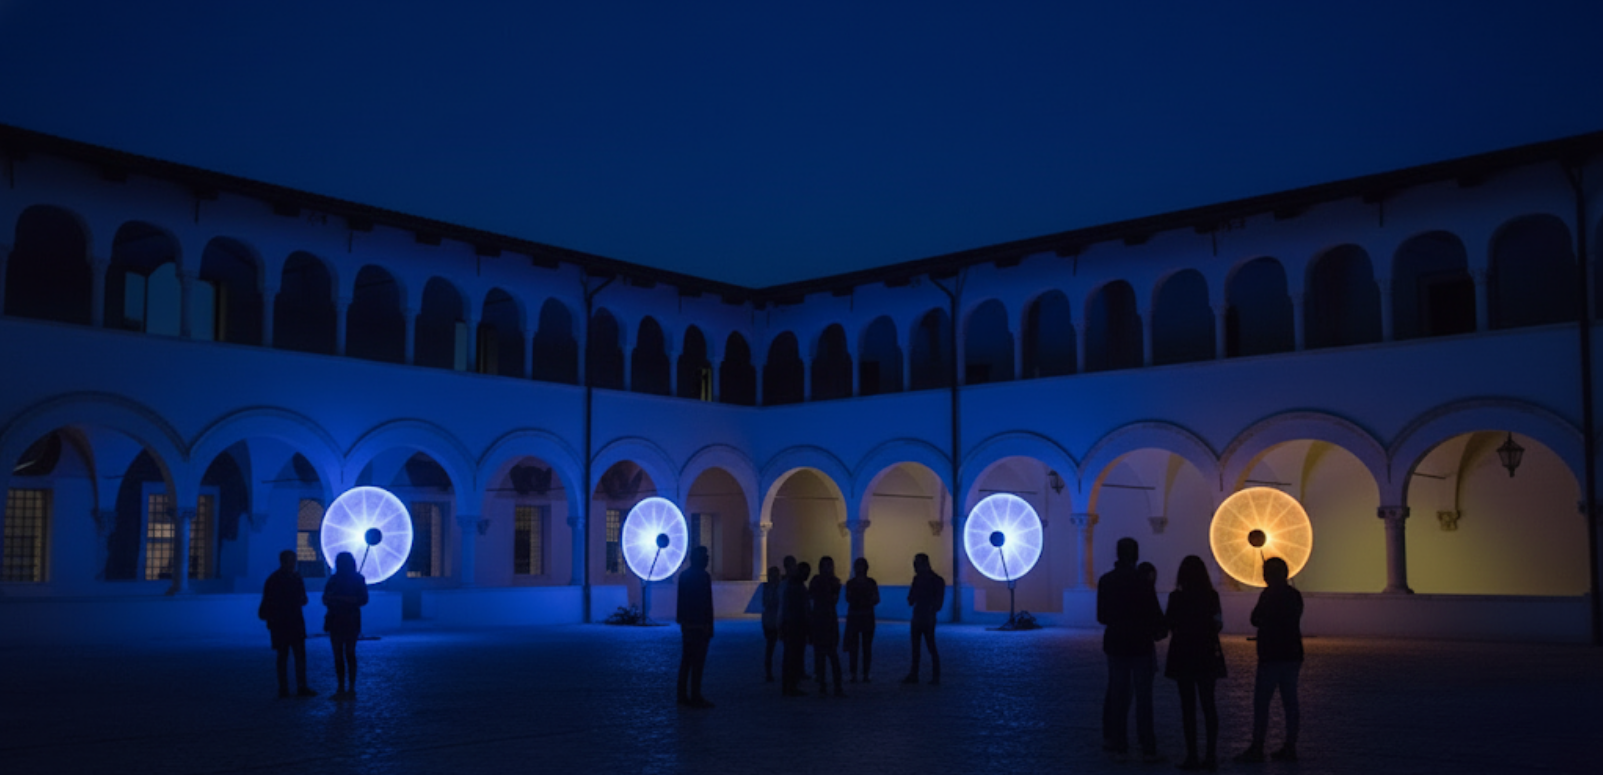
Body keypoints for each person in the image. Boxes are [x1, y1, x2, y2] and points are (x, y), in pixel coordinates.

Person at [1098, 537, 1166, 762]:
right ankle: (1147, 745)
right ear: (1136, 555)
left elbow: (1102, 616)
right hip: (1140, 644)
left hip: (1116, 643)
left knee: (1118, 694)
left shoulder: (1106, 581)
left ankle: (1118, 742)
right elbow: (1154, 614)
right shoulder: (1142, 582)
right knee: (1143, 697)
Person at [1236, 556, 1304, 764]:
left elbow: (1255, 619)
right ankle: (1290, 745)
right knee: (1290, 702)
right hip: (1292, 654)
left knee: (1262, 703)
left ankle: (1258, 746)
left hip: (1270, 656)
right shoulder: (1294, 595)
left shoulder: (1268, 596)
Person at [1166, 555, 1225, 771]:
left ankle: (1192, 755)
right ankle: (1210, 755)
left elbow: (1169, 623)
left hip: (1182, 654)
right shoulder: (1211, 596)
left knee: (1187, 706)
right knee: (1208, 704)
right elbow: (1218, 623)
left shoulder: (1176, 597)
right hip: (1206, 652)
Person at [259, 549, 316, 698]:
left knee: (284, 656)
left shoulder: (274, 579)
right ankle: (298, 687)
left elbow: (268, 602)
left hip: (281, 623)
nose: (293, 564)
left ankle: (285, 688)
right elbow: (303, 599)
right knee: (295, 656)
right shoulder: (294, 578)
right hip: (291, 622)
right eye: (292, 561)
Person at [322, 551, 369, 699]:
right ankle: (346, 687)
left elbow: (363, 599)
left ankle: (345, 687)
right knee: (345, 655)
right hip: (344, 620)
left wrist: (339, 599)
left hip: (344, 620)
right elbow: (325, 598)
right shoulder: (344, 579)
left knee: (345, 654)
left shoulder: (336, 580)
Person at [677, 545, 716, 709]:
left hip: (690, 625)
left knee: (686, 660)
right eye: (705, 556)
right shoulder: (703, 577)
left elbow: (681, 601)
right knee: (697, 662)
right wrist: (709, 625)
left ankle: (682, 695)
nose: (707, 559)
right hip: (700, 625)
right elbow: (708, 603)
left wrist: (682, 621)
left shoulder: (684, 576)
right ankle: (695, 694)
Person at [902, 553, 944, 685]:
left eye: (917, 563)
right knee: (924, 647)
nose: (915, 566)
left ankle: (919, 675)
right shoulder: (935, 580)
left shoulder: (926, 580)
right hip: (923, 616)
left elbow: (912, 599)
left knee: (926, 647)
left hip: (924, 616)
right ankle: (926, 675)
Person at [809, 556, 845, 696]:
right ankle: (823, 684)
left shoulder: (832, 582)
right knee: (822, 655)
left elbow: (832, 600)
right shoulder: (821, 581)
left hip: (828, 619)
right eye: (826, 565)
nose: (828, 568)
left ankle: (836, 686)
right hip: (820, 619)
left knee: (831, 654)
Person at [844, 556, 880, 683]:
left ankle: (864, 673)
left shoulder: (855, 583)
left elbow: (875, 598)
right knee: (856, 647)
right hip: (861, 616)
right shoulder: (859, 583)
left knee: (865, 647)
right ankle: (856, 673)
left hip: (862, 616)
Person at [780, 561, 812, 696]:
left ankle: (788, 684)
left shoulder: (792, 586)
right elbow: (802, 608)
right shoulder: (797, 587)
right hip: (796, 625)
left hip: (792, 624)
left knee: (791, 655)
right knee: (793, 656)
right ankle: (791, 685)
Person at [761, 565, 782, 682]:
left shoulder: (779, 587)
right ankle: (768, 672)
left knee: (772, 647)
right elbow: (767, 602)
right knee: (770, 647)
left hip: (775, 619)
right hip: (771, 620)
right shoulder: (768, 587)